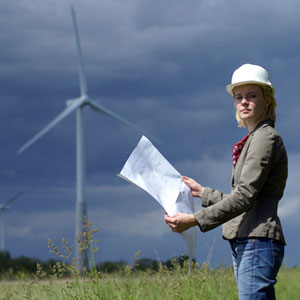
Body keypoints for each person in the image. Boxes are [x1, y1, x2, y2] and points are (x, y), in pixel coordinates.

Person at [164, 63, 288, 300]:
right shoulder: (254, 138)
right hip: (248, 240)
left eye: (252, 96)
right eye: (238, 97)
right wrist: (203, 193)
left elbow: (244, 197)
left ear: (267, 100)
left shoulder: (265, 138)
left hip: (256, 241)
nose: (244, 102)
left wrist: (194, 220)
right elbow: (247, 198)